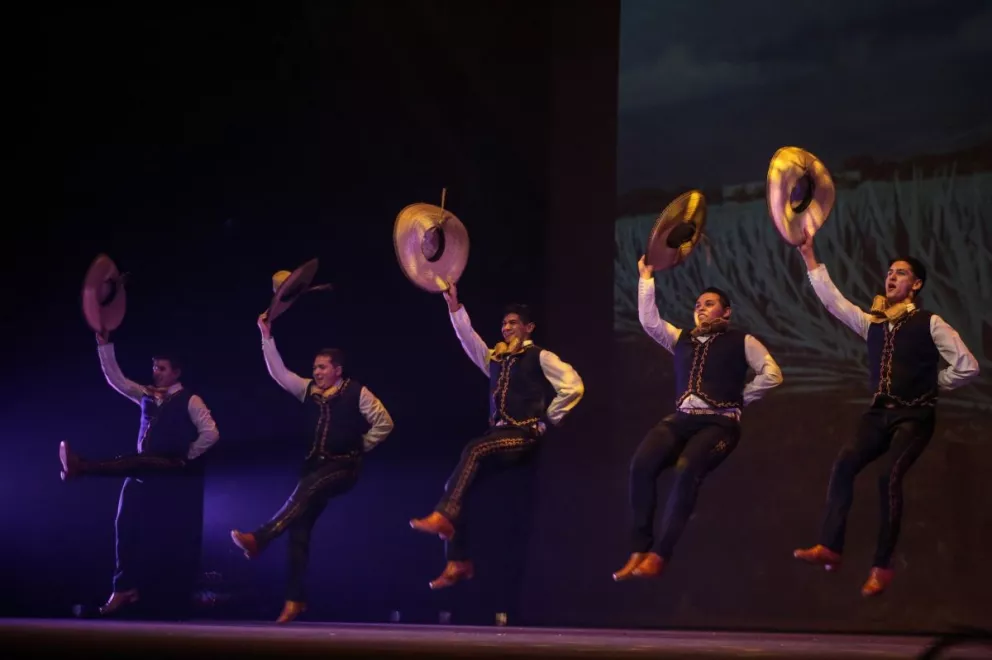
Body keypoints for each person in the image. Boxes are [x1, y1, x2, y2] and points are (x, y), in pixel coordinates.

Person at [792, 232, 980, 596]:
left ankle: (883, 564)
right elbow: (834, 303)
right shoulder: (873, 324)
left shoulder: (930, 322)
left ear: (916, 284)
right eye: (890, 272)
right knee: (844, 463)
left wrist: (934, 384)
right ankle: (830, 545)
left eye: (902, 273)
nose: (891, 277)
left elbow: (967, 366)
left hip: (915, 417)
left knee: (886, 478)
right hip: (879, 414)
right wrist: (810, 257)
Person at [612, 256, 783, 581]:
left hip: (720, 424)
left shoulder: (742, 340)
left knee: (687, 468)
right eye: (698, 304)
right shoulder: (682, 339)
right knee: (641, 464)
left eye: (709, 304)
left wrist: (740, 398)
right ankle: (639, 548)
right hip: (682, 418)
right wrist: (646, 277)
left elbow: (772, 374)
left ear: (726, 311)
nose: (701, 308)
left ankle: (661, 554)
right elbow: (649, 322)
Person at [409, 282, 584, 589]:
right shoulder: (495, 359)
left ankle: (444, 517)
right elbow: (469, 340)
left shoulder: (540, 357)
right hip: (498, 439)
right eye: (504, 323)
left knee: (474, 450)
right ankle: (458, 561)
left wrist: (546, 420)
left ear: (528, 328)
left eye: (513, 323)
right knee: (455, 485)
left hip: (523, 435)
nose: (506, 328)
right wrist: (454, 308)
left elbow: (573, 386)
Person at [230, 311, 394, 623]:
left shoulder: (356, 391)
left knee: (307, 488)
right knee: (299, 529)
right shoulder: (306, 390)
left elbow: (384, 422)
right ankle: (294, 599)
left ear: (337, 370)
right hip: (313, 468)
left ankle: (260, 538)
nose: (316, 372)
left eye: (322, 367)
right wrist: (266, 336)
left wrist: (361, 445)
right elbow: (279, 372)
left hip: (343, 468)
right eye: (315, 367)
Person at [64, 329, 220, 617]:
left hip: (169, 474)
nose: (156, 373)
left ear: (176, 372)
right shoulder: (147, 395)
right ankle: (123, 588)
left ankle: (82, 466)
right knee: (124, 527)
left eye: (162, 368)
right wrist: (104, 344)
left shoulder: (190, 400)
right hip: (141, 471)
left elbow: (211, 433)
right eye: (154, 367)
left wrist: (187, 454)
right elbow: (116, 380)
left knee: (162, 537)